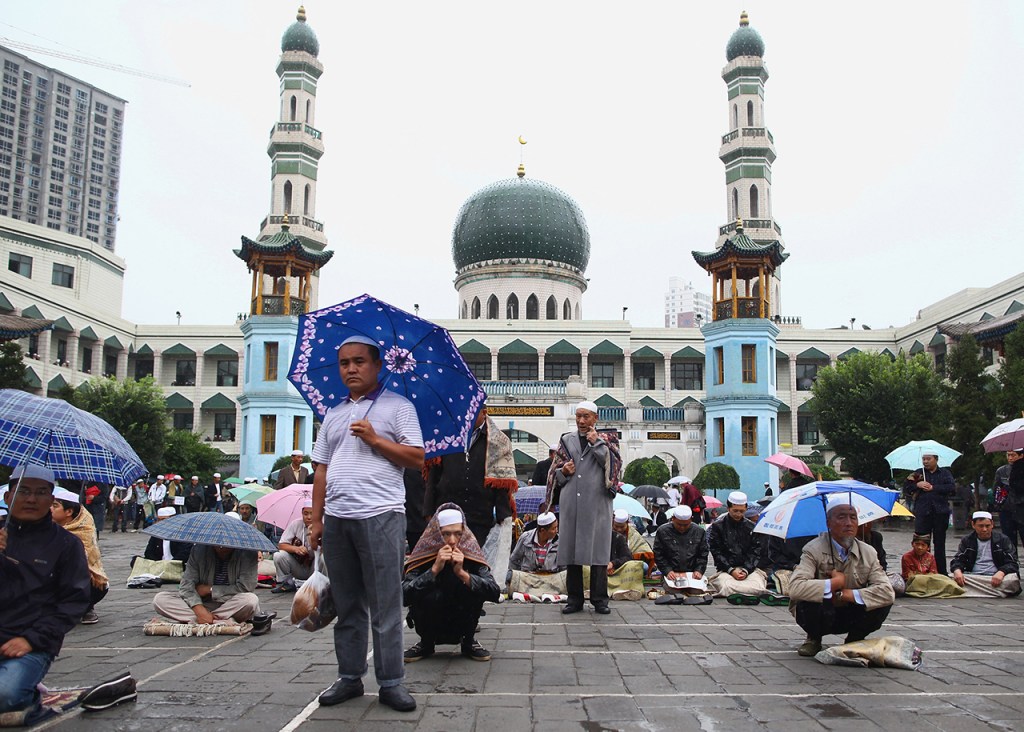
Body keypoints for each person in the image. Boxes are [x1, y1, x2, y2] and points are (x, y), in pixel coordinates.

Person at [309, 334, 424, 713]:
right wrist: (317, 518)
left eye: (359, 361)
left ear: (378, 366)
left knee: (386, 603)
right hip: (339, 519)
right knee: (346, 603)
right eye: (345, 363)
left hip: (382, 514)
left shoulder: (398, 407)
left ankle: (391, 682)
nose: (351, 369)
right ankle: (349, 676)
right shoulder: (334, 413)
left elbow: (416, 457)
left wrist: (375, 439)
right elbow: (321, 469)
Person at [0, 465, 90, 726]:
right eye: (23, 491)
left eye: (40, 493)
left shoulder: (66, 544)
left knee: (5, 694)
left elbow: (74, 602)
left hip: (29, 644)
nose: (31, 499)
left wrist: (31, 639)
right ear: (8, 497)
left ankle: (26, 694)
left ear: (51, 501)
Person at [788, 499, 896, 657]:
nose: (848, 523)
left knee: (882, 602)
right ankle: (814, 638)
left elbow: (887, 592)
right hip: (822, 612)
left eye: (853, 517)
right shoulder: (813, 549)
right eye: (841, 517)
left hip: (851, 610)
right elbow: (795, 588)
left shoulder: (868, 552)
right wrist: (832, 584)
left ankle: (854, 639)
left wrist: (848, 594)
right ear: (828, 523)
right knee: (806, 601)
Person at [547, 400, 622, 615]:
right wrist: (564, 471)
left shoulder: (608, 439)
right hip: (572, 501)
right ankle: (574, 599)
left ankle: (600, 599)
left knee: (598, 551)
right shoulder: (566, 439)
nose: (581, 421)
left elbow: (614, 466)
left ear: (595, 418)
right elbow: (555, 473)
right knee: (571, 551)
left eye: (586, 416)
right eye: (578, 416)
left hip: (597, 501)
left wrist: (597, 443)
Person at [402, 505, 499, 662]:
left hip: (462, 615)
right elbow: (404, 595)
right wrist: (433, 571)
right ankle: (426, 642)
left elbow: (494, 592)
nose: (452, 541)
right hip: (429, 616)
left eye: (458, 534)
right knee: (426, 592)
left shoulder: (471, 552)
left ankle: (468, 641)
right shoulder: (422, 554)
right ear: (436, 533)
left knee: (470, 587)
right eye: (446, 534)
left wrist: (463, 574)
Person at [423, 402, 518, 546]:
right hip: (446, 516)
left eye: (472, 414)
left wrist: (503, 519)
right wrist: (428, 511)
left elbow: (501, 483)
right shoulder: (445, 435)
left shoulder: (498, 442)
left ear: (483, 413)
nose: (466, 418)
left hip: (480, 518)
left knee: (476, 564)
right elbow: (433, 475)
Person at [151, 526, 266, 631]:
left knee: (251, 600)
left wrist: (211, 589)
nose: (221, 547)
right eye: (218, 542)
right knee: (160, 599)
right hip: (201, 603)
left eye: (226, 543)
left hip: (230, 603)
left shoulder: (247, 553)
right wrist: (198, 608)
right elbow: (186, 585)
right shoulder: (199, 551)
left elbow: (246, 587)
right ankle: (215, 620)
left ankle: (203, 619)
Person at [50, 487, 109, 625]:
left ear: (69, 511)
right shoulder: (44, 528)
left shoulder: (83, 531)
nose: (50, 509)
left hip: (79, 580)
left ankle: (86, 607)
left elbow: (82, 561)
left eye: (55, 506)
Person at [706, 491, 766, 597]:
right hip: (727, 570)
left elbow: (755, 551)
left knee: (758, 586)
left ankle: (744, 593)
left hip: (748, 570)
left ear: (746, 509)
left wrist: (746, 570)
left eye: (741, 511)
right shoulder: (718, 527)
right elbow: (716, 552)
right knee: (726, 587)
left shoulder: (751, 527)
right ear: (728, 509)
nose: (738, 514)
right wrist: (731, 570)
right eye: (735, 511)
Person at [949, 511, 1022, 598]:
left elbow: (1013, 562)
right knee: (951, 578)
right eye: (981, 526)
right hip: (974, 577)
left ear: (992, 525)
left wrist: (1001, 572)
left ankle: (974, 591)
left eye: (987, 526)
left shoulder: (1003, 540)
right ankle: (993, 592)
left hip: (996, 577)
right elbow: (958, 560)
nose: (984, 529)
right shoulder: (967, 540)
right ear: (973, 525)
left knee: (1011, 580)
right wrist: (957, 570)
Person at [904, 452, 955, 574]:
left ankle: (941, 572)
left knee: (939, 544)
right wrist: (917, 484)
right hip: (922, 512)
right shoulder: (917, 473)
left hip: (940, 512)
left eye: (928, 459)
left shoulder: (945, 473)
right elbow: (906, 487)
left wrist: (934, 488)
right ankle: (921, 571)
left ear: (936, 459)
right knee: (921, 543)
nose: (925, 461)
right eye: (923, 459)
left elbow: (951, 488)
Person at [652, 505, 709, 592]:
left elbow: (703, 554)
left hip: (692, 574)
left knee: (696, 591)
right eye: (679, 524)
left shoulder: (699, 532)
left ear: (691, 519)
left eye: (686, 525)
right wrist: (667, 571)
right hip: (672, 573)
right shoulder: (663, 531)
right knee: (674, 590)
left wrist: (699, 570)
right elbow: (658, 554)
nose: (682, 527)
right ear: (673, 519)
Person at [901, 534, 963, 598]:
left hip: (928, 580)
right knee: (919, 579)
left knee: (944, 578)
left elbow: (934, 574)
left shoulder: (930, 557)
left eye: (923, 545)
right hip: (914, 582)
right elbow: (907, 577)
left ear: (928, 548)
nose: (919, 547)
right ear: (912, 544)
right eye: (917, 544)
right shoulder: (907, 557)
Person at [272, 502, 316, 593]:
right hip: (298, 566)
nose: (309, 517)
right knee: (278, 555)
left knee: (324, 558)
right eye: (306, 513)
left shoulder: (322, 525)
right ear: (302, 513)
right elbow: (281, 545)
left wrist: (312, 538)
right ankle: (286, 583)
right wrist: (296, 549)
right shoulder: (295, 524)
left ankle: (322, 584)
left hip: (315, 567)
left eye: (312, 513)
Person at [993, 450, 1022, 548]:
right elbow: (996, 489)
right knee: (1009, 541)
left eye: (1013, 455)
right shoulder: (1002, 471)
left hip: (1021, 508)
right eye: (1008, 455)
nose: (1010, 458)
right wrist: (998, 504)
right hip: (1006, 509)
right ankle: (1012, 562)